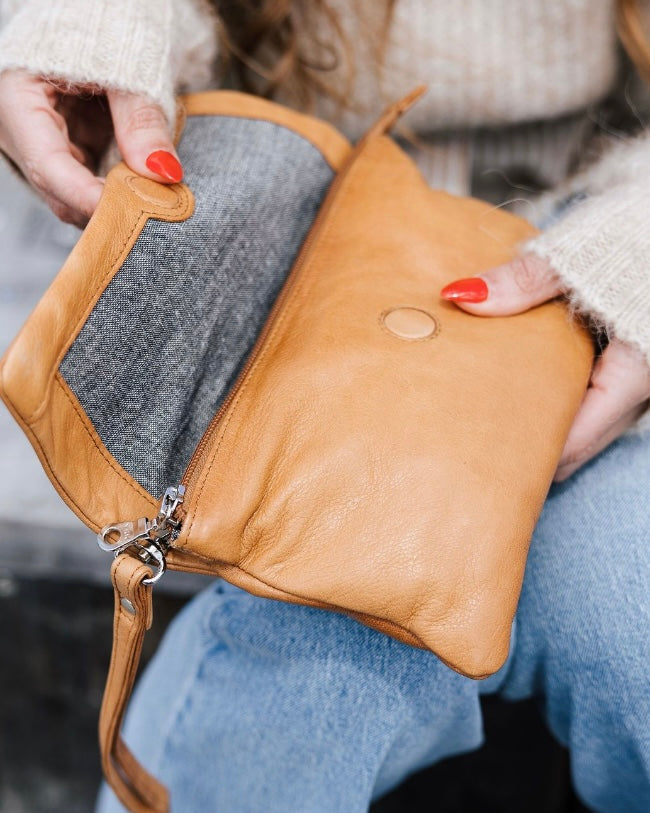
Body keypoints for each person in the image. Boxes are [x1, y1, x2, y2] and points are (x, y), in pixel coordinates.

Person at [0, 1, 649, 811]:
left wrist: (633, 257)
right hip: (287, 278)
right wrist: (95, 30)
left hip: (587, 271)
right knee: (311, 683)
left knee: (631, 615)